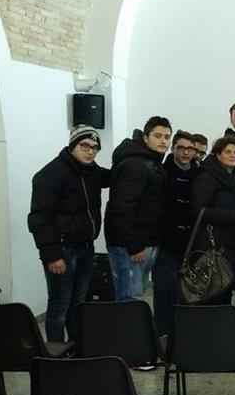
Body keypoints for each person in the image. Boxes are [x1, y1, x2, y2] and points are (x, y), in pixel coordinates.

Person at [28, 125, 110, 342]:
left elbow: (115, 176)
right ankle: (55, 354)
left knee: (78, 303)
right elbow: (39, 219)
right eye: (85, 146)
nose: (90, 151)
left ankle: (76, 348)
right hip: (62, 251)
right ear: (73, 145)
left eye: (95, 148)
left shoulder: (92, 171)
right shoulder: (50, 175)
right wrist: (52, 255)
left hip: (86, 248)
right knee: (59, 306)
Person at [105, 116, 171, 301]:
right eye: (157, 136)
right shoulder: (135, 165)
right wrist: (134, 246)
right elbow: (122, 208)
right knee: (129, 300)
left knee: (135, 295)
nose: (163, 141)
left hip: (144, 241)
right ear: (145, 138)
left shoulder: (151, 162)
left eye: (167, 137)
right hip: (130, 245)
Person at [190, 135, 235, 305]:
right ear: (218, 155)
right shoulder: (206, 177)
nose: (233, 155)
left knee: (226, 292)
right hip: (212, 245)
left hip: (232, 243)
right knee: (212, 293)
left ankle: (224, 321)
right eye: (228, 152)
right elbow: (199, 210)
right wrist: (234, 216)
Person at [152, 130, 199, 336]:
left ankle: (184, 330)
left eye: (190, 149)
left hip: (190, 241)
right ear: (173, 149)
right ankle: (162, 331)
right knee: (164, 287)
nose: (186, 152)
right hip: (165, 240)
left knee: (187, 289)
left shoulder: (198, 173)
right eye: (181, 148)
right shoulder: (162, 172)